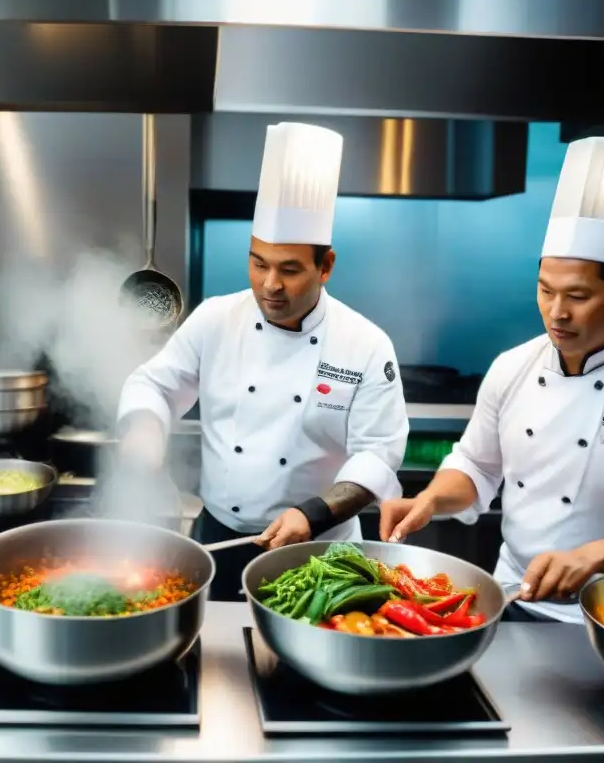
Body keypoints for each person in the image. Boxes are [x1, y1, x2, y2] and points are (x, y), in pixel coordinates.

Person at [379, 136, 604, 623]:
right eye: (545, 290)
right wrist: (429, 499)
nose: (557, 313)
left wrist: (589, 557)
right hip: (511, 594)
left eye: (577, 296)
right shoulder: (512, 367)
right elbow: (475, 466)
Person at [117, 122, 409, 600]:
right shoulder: (216, 319)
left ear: (326, 266)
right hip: (220, 540)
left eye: (290, 269)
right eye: (258, 263)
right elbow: (157, 384)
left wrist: (313, 513)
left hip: (321, 554)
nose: (270, 284)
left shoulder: (365, 344)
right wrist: (145, 434)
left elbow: (378, 454)